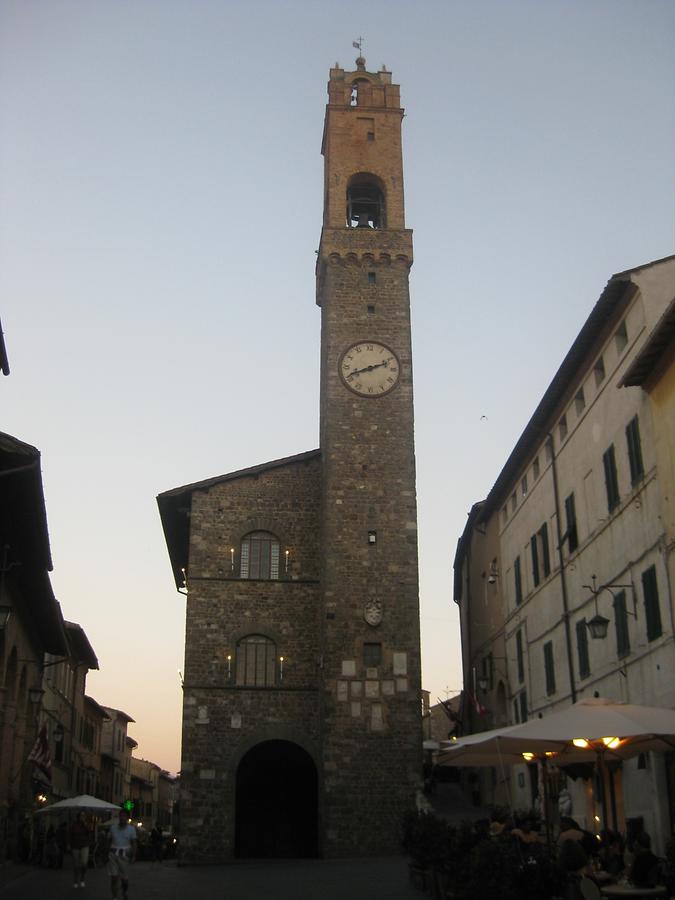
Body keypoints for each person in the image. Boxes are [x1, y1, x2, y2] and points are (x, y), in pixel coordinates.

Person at [108, 809, 137, 900]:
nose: (122, 818)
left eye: (124, 816)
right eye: (121, 816)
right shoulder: (113, 828)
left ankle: (124, 891)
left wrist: (134, 856)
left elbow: (134, 843)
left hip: (124, 855)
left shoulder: (131, 829)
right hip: (113, 854)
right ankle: (115, 897)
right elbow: (108, 840)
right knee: (114, 877)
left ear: (127, 818)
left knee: (124, 879)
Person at [69, 811, 91, 888]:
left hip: (84, 845)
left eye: (84, 815)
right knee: (76, 865)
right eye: (81, 815)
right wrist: (69, 844)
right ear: (78, 817)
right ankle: (75, 879)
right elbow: (70, 834)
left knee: (84, 863)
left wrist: (85, 824)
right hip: (75, 845)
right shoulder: (74, 824)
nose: (83, 817)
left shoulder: (86, 824)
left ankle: (82, 878)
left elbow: (89, 832)